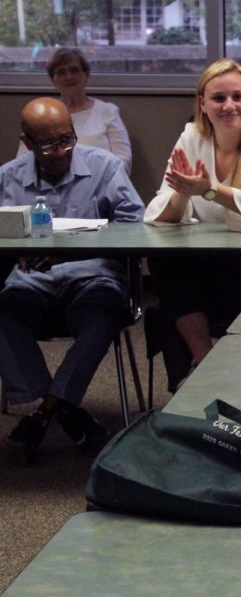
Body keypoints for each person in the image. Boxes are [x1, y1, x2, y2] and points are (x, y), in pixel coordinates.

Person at [0, 97, 145, 464]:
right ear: (28, 142)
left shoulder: (105, 168)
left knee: (103, 313)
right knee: (3, 311)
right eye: (49, 144)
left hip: (92, 275)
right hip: (30, 280)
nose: (61, 150)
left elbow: (137, 230)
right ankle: (64, 408)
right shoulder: (8, 177)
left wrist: (73, 250)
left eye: (67, 138)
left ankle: (45, 410)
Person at [144, 59, 241, 391]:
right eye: (218, 98)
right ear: (202, 103)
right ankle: (206, 362)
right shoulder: (190, 137)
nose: (229, 106)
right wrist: (184, 194)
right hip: (201, 267)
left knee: (181, 285)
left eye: (237, 97)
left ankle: (221, 374)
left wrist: (210, 191)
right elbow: (159, 213)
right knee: (164, 261)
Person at [17, 48, 133, 174]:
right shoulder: (41, 116)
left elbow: (124, 160)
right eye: (61, 72)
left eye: (74, 70)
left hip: (100, 186)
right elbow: (22, 160)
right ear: (53, 80)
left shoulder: (108, 111)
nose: (69, 77)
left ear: (86, 75)